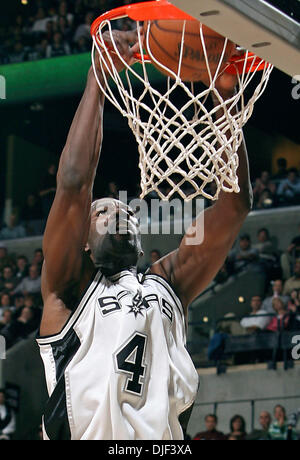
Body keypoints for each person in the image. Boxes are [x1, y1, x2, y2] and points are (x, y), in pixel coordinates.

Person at [37, 30, 253, 440]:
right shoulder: (68, 291)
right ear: (82, 241)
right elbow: (73, 180)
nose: (118, 210)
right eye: (102, 210)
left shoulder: (167, 284)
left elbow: (233, 207)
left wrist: (226, 101)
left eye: (124, 209)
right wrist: (98, 78)